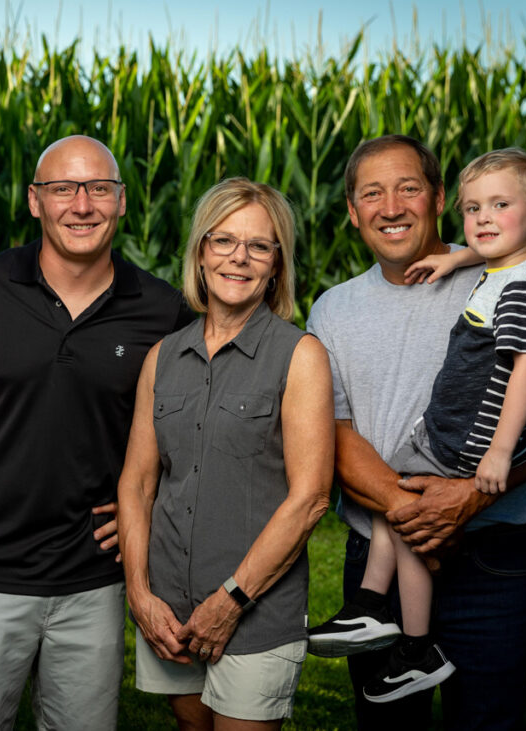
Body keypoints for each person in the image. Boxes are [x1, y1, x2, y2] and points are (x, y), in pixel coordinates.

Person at [306, 135, 526, 729]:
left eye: (409, 188)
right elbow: (336, 434)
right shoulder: (333, 309)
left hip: (492, 565)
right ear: (353, 212)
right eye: (371, 193)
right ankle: (380, 619)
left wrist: (471, 499)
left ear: (436, 198)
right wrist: (416, 516)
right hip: (378, 556)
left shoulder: (506, 273)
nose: (392, 206)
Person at [0, 134, 194, 730]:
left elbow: (186, 434)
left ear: (121, 201)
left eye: (99, 188)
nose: (82, 204)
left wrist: (141, 517)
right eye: (63, 189)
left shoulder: (160, 308)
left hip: (93, 581)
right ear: (34, 201)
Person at [118, 177, 334, 728]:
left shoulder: (300, 356)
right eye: (223, 241)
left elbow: (310, 499)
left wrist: (231, 600)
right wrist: (140, 594)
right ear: (200, 252)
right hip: (169, 610)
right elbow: (138, 483)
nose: (239, 258)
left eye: (259, 246)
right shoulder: (163, 357)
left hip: (255, 612)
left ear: (277, 265)